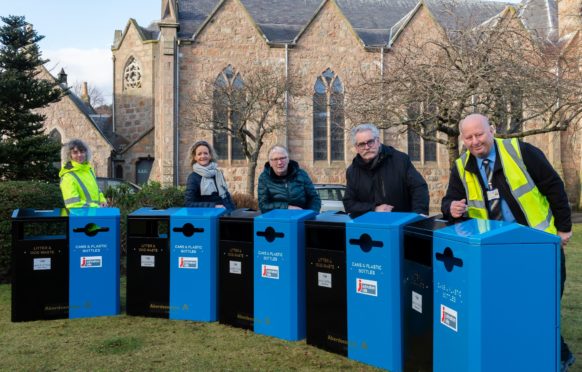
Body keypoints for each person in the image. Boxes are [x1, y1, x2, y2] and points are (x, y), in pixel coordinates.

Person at [441, 113, 575, 371]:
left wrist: (564, 229)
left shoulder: (521, 151)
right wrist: (451, 207)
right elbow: (450, 201)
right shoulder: (461, 166)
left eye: (479, 134)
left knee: (543, 305)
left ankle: (556, 358)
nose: (475, 141)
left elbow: (554, 187)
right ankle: (540, 356)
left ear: (491, 129)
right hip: (496, 252)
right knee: (513, 307)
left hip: (539, 245)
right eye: (468, 137)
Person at [343, 123, 429, 218]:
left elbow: (419, 188)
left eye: (370, 142)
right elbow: (349, 204)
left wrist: (418, 215)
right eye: (362, 144)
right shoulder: (352, 171)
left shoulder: (400, 160)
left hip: (401, 223)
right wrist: (374, 209)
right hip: (370, 226)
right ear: (356, 148)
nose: (367, 147)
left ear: (378, 141)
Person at [258, 145, 321, 213]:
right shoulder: (264, 178)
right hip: (277, 220)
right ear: (270, 163)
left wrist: (309, 214)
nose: (279, 162)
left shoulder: (301, 174)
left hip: (302, 218)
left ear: (288, 159)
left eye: (282, 158)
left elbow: (314, 198)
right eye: (275, 159)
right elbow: (263, 205)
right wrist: (287, 207)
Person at [184, 140, 235, 211]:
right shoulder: (193, 177)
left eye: (205, 153)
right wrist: (213, 206)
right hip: (207, 217)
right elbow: (188, 203)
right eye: (199, 154)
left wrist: (233, 212)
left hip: (225, 215)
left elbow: (226, 196)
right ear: (195, 157)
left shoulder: (218, 173)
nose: (203, 156)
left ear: (210, 155)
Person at [59, 139, 107, 208]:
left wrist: (102, 199)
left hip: (94, 215)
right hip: (81, 217)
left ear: (86, 153)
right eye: (75, 152)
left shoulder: (89, 170)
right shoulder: (68, 176)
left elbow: (96, 189)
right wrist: (97, 207)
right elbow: (73, 205)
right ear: (69, 155)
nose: (79, 155)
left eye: (82, 151)